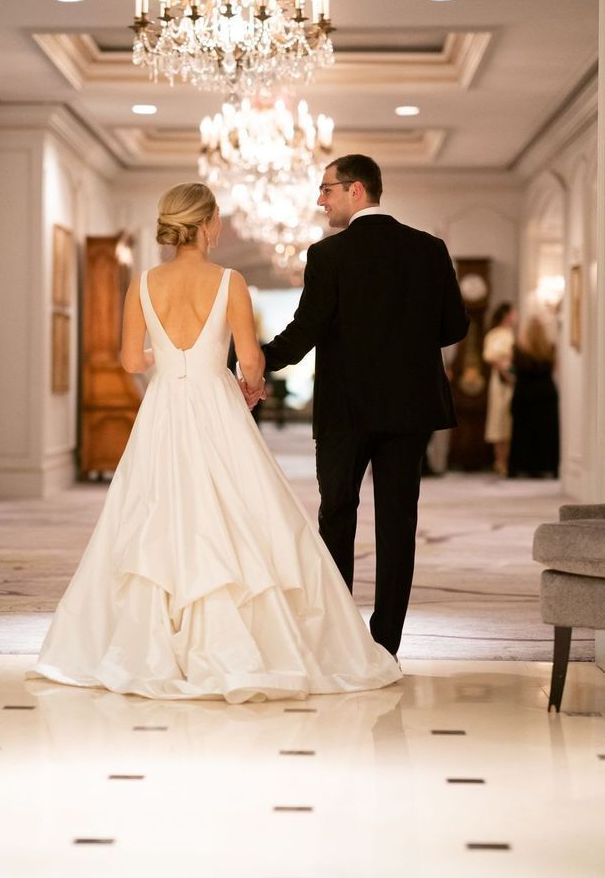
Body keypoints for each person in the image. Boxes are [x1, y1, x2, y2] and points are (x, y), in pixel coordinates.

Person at [27, 182, 400, 702]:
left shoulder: (142, 282)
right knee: (242, 513)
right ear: (205, 225)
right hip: (216, 406)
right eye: (218, 217)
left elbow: (132, 361)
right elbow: (250, 359)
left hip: (164, 411)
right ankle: (246, 642)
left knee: (154, 514)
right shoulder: (229, 281)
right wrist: (250, 385)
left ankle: (146, 644)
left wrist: (171, 358)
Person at [245, 155, 469, 659]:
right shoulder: (429, 249)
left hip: (346, 410)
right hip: (411, 409)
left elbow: (305, 333)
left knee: (337, 515)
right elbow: (455, 327)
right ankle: (386, 643)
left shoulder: (330, 256)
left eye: (327, 190)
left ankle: (340, 640)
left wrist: (254, 363)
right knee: (398, 524)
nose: (320, 200)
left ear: (357, 191)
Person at [507, 316, 559, 478]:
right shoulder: (550, 348)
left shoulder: (518, 349)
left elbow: (512, 369)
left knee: (522, 431)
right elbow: (555, 368)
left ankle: (519, 467)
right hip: (546, 393)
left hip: (524, 393)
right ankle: (546, 466)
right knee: (546, 432)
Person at [482, 302, 517, 476]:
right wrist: (504, 371)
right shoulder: (495, 334)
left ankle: (507, 460)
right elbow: (489, 356)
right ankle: (500, 461)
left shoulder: (510, 333)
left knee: (508, 419)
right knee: (498, 418)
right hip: (501, 379)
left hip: (511, 378)